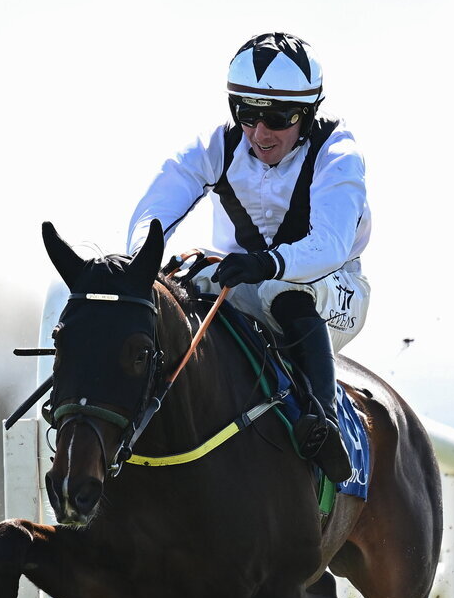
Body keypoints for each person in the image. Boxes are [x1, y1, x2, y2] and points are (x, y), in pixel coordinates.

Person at [127, 32, 371, 483]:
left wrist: (267, 264)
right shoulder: (215, 144)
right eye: (247, 114)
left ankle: (324, 427)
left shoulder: (338, 154)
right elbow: (155, 211)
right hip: (241, 281)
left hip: (333, 291)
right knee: (176, 283)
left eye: (278, 117)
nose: (260, 133)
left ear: (308, 113)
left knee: (284, 291)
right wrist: (140, 261)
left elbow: (330, 245)